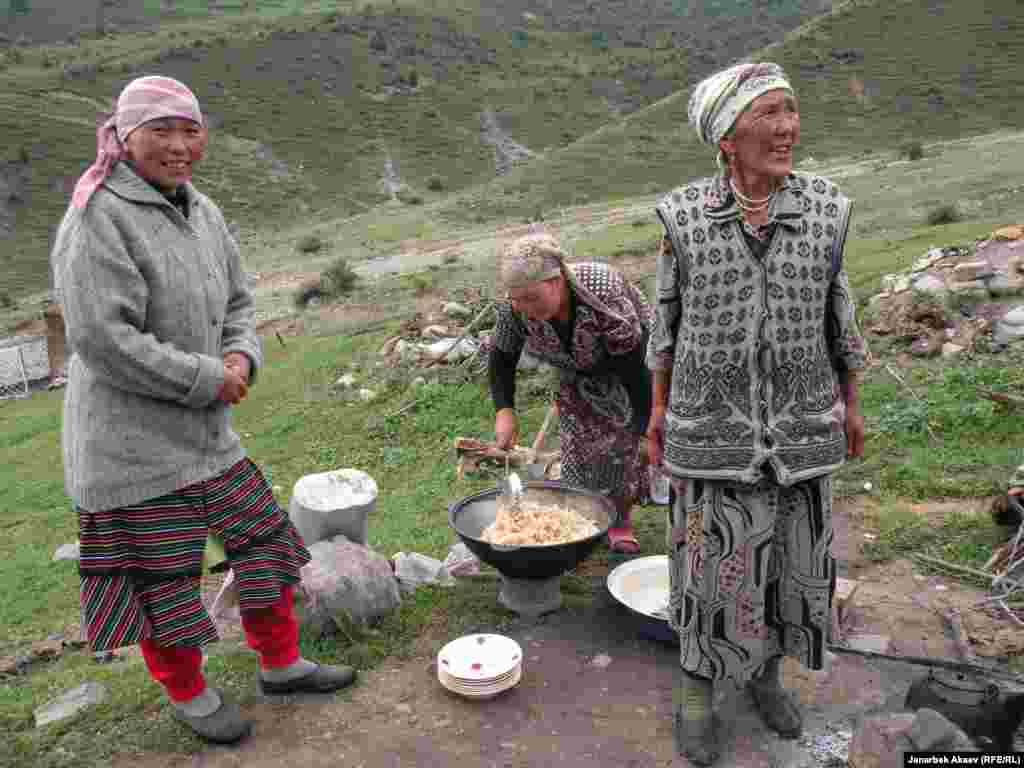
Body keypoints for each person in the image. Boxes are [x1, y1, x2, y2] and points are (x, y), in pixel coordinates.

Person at [51, 76, 355, 745]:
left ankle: (281, 663)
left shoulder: (202, 209)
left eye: (190, 130)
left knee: (263, 543)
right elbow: (103, 340)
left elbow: (239, 299)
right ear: (124, 136)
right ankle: (190, 694)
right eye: (160, 130)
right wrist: (208, 377)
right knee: (163, 579)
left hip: (207, 432)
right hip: (130, 447)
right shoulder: (97, 219)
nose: (179, 145)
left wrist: (241, 355)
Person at [645, 62, 868, 765]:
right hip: (709, 429)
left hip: (802, 427)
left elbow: (839, 310)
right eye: (768, 115)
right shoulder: (683, 217)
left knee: (788, 569)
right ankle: (696, 695)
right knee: (708, 568)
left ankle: (767, 678)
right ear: (726, 138)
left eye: (790, 111)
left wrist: (852, 401)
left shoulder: (826, 209)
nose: (787, 128)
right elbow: (665, 322)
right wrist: (657, 410)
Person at [489, 229, 652, 554]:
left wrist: (644, 428)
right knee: (577, 448)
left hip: (629, 363)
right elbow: (502, 356)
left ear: (556, 280)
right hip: (573, 370)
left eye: (531, 298)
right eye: (516, 299)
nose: (523, 307)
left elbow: (635, 370)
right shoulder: (515, 308)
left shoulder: (602, 291)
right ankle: (585, 520)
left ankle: (620, 521)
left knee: (623, 446)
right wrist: (504, 410)